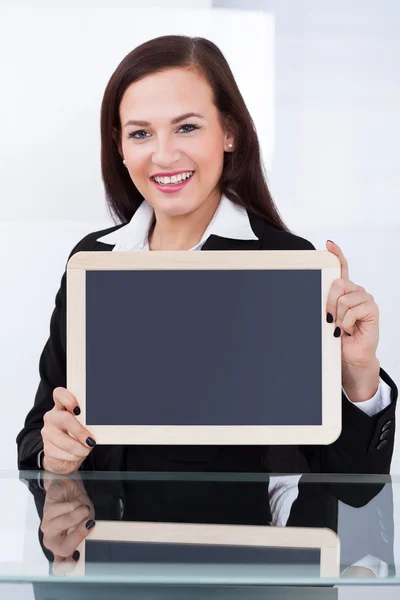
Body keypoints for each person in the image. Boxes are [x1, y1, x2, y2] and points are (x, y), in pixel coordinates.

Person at [16, 35, 397, 477]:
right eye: (141, 133)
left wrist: (359, 371)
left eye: (187, 127)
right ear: (120, 147)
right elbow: (36, 437)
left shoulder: (288, 268)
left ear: (229, 133)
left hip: (253, 544)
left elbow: (354, 487)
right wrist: (53, 449)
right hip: (107, 542)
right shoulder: (93, 262)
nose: (163, 154)